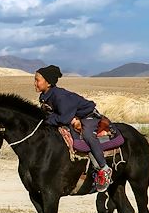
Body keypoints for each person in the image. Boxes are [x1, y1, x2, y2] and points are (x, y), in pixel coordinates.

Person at [35, 64, 113, 192]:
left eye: (37, 80)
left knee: (87, 135)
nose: (35, 83)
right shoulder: (45, 95)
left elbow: (63, 118)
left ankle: (103, 168)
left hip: (87, 117)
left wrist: (47, 120)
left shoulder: (60, 96)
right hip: (72, 117)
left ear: (48, 83)